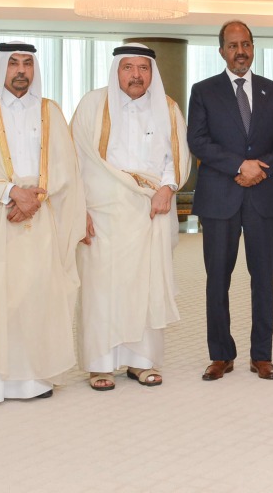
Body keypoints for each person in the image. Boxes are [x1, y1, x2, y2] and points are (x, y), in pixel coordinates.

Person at [0, 41, 85, 405]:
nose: (21, 71)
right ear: (1, 67)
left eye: (28, 64)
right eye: (13, 63)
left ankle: (32, 377)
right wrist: (12, 192)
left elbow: (65, 167)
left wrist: (34, 199)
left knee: (34, 294)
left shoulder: (50, 111)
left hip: (39, 215)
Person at [72, 44, 191, 391]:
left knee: (146, 287)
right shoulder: (92, 106)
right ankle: (101, 364)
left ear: (152, 72)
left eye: (143, 68)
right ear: (116, 71)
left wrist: (168, 187)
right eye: (128, 67)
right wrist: (78, 212)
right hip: (102, 212)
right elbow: (73, 162)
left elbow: (178, 156)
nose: (136, 75)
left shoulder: (167, 108)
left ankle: (142, 362)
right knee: (102, 289)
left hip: (150, 212)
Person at [188, 21, 273, 381]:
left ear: (254, 47)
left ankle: (261, 356)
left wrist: (259, 169)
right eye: (233, 45)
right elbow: (198, 141)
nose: (240, 51)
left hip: (263, 196)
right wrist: (240, 165)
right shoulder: (203, 91)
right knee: (217, 279)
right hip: (220, 197)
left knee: (263, 278)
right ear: (221, 51)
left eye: (246, 44)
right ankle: (221, 355)